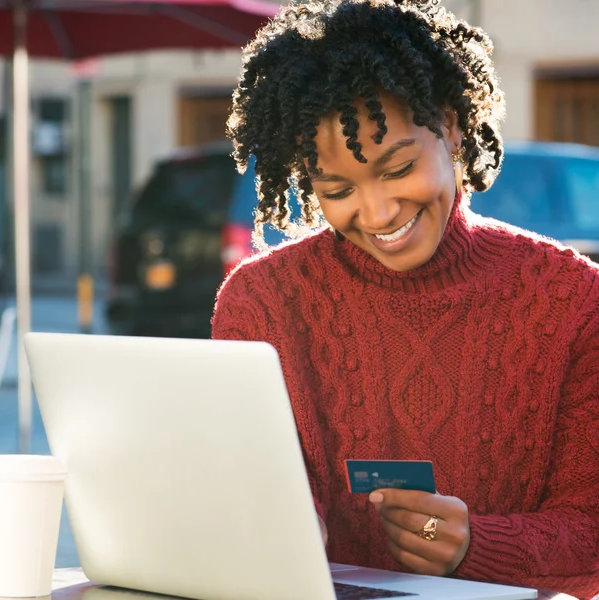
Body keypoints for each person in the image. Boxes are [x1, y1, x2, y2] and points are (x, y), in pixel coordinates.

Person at [211, 1, 599, 597]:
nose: (377, 212)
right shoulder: (263, 302)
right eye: (337, 188)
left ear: (449, 125)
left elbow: (589, 526)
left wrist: (477, 543)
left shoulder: (569, 300)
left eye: (397, 169)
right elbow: (239, 490)